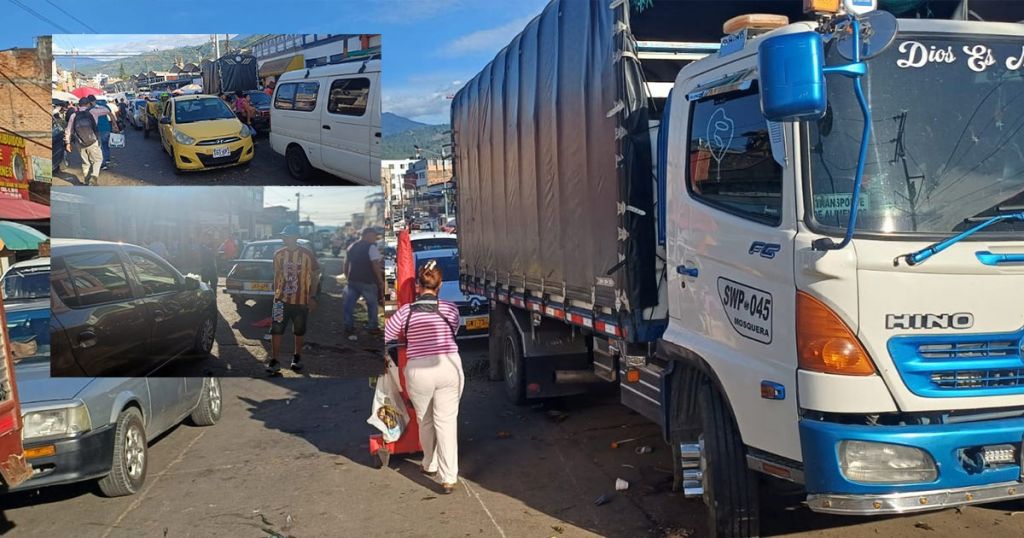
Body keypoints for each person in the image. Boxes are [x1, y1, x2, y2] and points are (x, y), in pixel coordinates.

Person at [383, 260, 464, 494]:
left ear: (418, 287)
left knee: (425, 420)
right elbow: (454, 330)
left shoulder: (405, 312)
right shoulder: (450, 308)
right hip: (449, 366)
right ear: (439, 288)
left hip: (418, 370)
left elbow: (387, 335)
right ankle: (449, 477)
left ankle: (429, 463)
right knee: (446, 422)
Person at [268, 225, 320, 374]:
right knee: (276, 329)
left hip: (302, 301)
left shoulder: (307, 254)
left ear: (295, 237)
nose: (284, 238)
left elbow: (315, 275)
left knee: (299, 330)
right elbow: (276, 275)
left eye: (287, 236)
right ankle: (275, 360)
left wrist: (313, 296)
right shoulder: (278, 254)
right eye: (283, 236)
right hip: (280, 301)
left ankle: (297, 357)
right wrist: (275, 294)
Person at [343, 228, 385, 339]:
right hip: (367, 281)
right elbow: (375, 265)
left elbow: (346, 263)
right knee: (372, 305)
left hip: (353, 280)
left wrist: (347, 277)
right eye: (374, 235)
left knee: (349, 305)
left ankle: (349, 325)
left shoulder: (351, 246)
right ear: (367, 235)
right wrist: (380, 281)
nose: (375, 238)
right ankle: (372, 327)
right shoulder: (371, 247)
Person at [63, 96, 108, 185]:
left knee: (85, 162)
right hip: (92, 141)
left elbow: (68, 130)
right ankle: (94, 177)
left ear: (79, 105)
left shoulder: (74, 115)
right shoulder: (92, 112)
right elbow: (107, 110)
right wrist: (95, 105)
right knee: (98, 160)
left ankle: (87, 181)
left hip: (79, 142)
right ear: (88, 104)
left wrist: (67, 143)